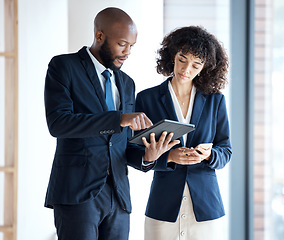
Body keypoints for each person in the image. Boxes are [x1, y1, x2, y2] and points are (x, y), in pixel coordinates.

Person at [43, 7, 153, 240]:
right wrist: (119, 119)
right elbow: (59, 123)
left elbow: (120, 145)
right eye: (122, 44)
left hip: (119, 197)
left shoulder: (127, 83)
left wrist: (148, 157)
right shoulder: (64, 67)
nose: (127, 52)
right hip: (77, 193)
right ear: (100, 36)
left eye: (132, 46)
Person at [127, 26, 232, 240]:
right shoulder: (146, 99)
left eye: (196, 64)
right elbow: (131, 151)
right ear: (173, 54)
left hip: (206, 209)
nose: (186, 69)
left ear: (205, 68)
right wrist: (166, 157)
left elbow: (226, 150)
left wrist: (209, 155)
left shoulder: (215, 100)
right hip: (162, 207)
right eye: (182, 59)